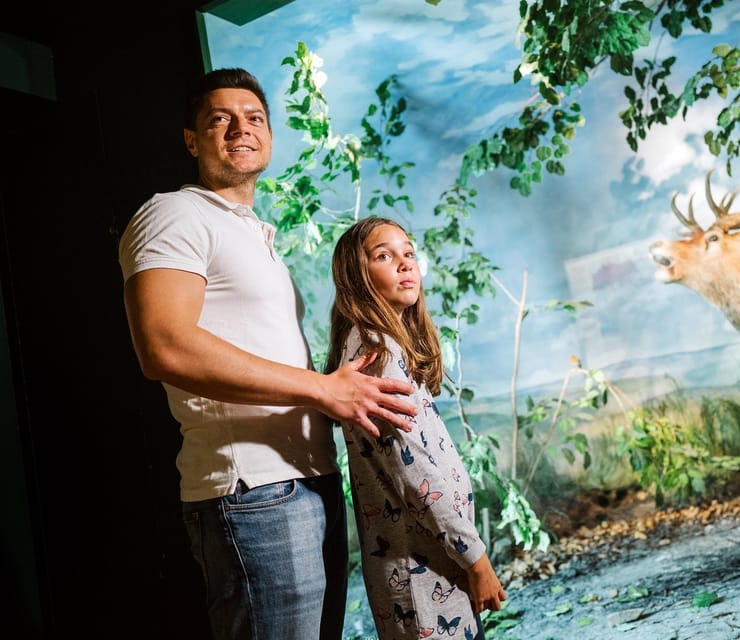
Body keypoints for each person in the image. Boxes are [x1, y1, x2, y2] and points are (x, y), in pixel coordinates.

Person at [118, 68, 418, 640]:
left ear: (270, 135)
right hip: (252, 492)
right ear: (191, 139)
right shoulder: (175, 214)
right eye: (220, 119)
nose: (241, 128)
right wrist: (324, 388)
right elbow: (163, 346)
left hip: (305, 481)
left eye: (254, 117)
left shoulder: (255, 231)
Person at [325, 216, 507, 640]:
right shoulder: (376, 351)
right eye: (384, 256)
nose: (406, 264)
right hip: (418, 570)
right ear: (356, 274)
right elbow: (414, 474)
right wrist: (476, 558)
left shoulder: (384, 344)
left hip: (433, 562)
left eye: (409, 253)